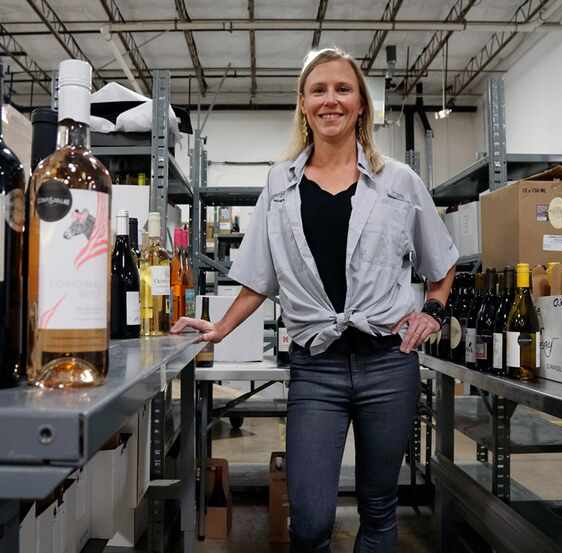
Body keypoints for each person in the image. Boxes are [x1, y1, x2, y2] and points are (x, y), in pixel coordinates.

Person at [172, 47, 457, 553]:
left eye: (343, 89)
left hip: (389, 365)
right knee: (309, 519)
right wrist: (219, 329)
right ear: (303, 104)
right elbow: (260, 277)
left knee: (378, 508)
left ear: (362, 104)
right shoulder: (279, 185)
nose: (332, 100)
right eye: (319, 90)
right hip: (316, 368)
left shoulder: (398, 180)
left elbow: (442, 263)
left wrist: (433, 312)